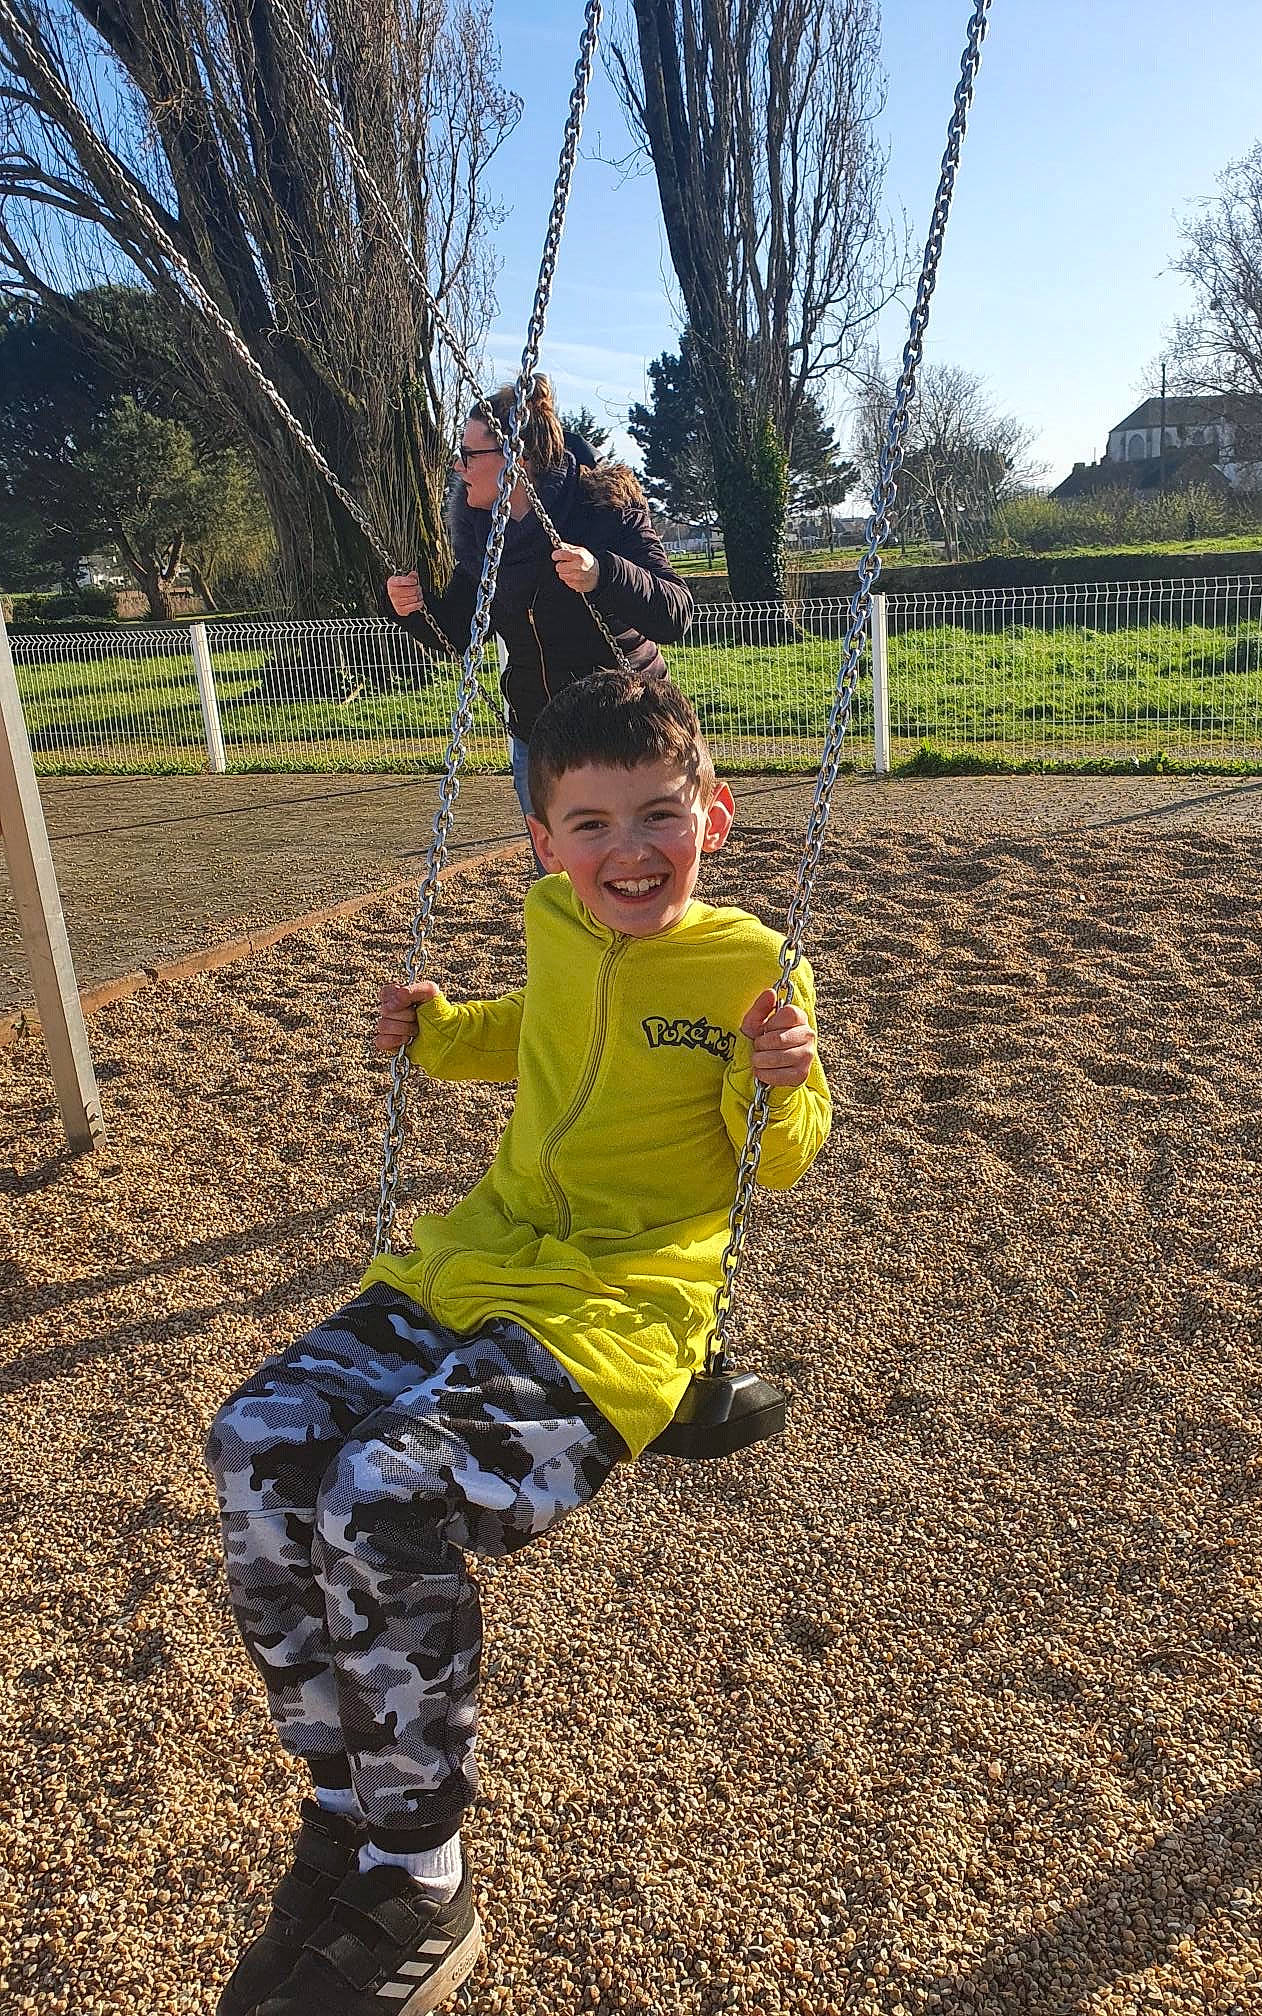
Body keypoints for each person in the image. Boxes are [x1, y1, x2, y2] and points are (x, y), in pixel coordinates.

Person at [205, 670, 831, 2016]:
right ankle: (345, 1813)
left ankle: (423, 1882)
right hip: (485, 1260)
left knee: (382, 1492)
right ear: (545, 843)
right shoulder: (555, 921)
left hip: (624, 1300)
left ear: (712, 816)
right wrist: (437, 1037)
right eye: (591, 825)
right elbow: (537, 1036)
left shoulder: (750, 968)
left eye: (658, 816)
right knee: (257, 1441)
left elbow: (775, 1159)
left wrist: (781, 1077)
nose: (629, 851)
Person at [385, 373, 692, 845]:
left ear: (516, 459)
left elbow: (675, 612)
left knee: (631, 865)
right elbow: (463, 636)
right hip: (541, 735)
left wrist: (602, 573)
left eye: (469, 455)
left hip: (626, 728)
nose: (458, 466)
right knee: (559, 875)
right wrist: (413, 609)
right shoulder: (484, 538)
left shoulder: (602, 507)